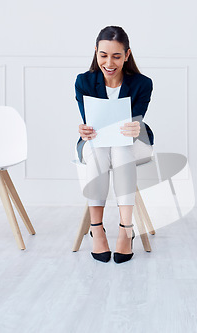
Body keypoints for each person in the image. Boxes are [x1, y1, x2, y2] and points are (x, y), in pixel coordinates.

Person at [75, 26, 154, 264]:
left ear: (127, 55)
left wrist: (134, 127)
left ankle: (124, 229)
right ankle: (96, 228)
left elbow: (136, 121)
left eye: (117, 56)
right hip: (96, 143)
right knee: (100, 152)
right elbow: (89, 122)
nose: (109, 63)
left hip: (133, 142)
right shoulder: (84, 81)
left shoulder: (142, 83)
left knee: (121, 148)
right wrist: (84, 130)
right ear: (96, 52)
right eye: (103, 55)